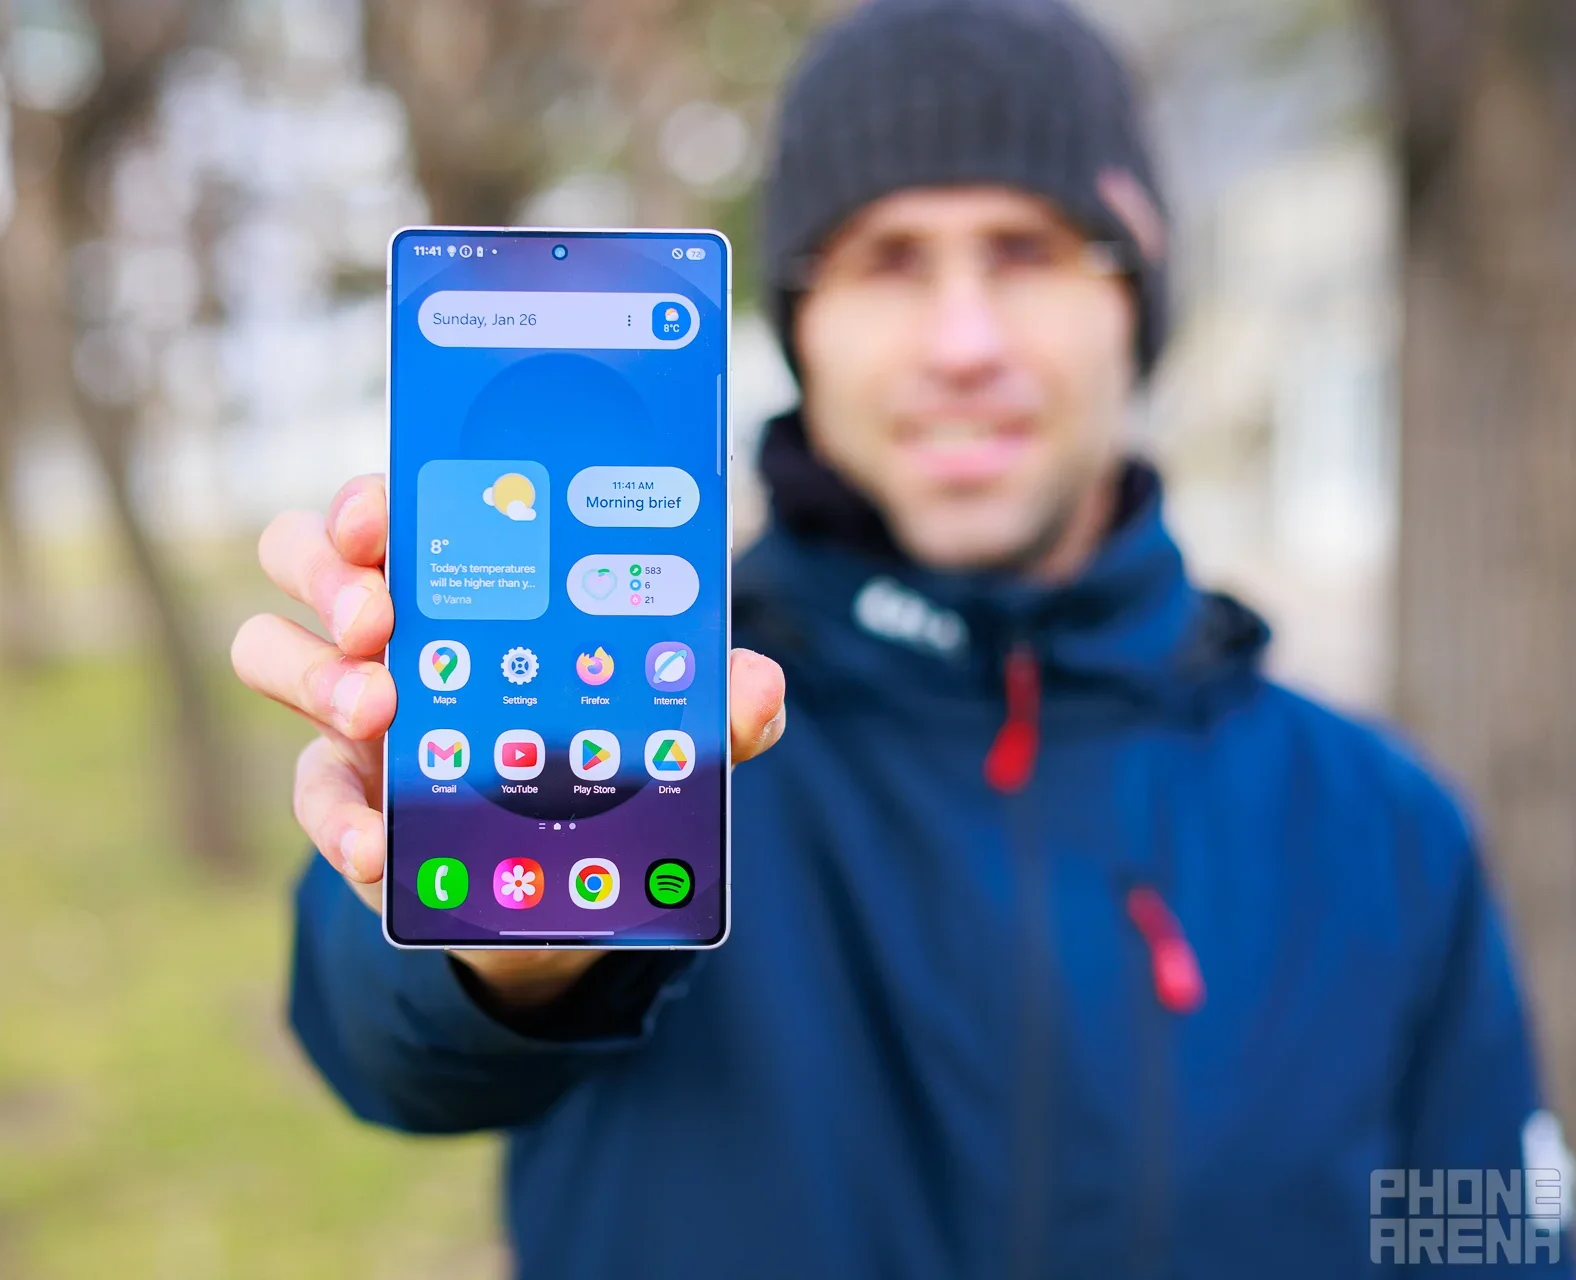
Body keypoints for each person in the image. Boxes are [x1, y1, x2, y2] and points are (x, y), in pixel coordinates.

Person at [231, 1, 1568, 1274]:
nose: (963, 342)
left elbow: (1493, 1240)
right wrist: (503, 940)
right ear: (800, 324)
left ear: (1138, 300)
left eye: (1027, 251)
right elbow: (382, 1043)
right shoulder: (656, 723)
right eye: (888, 261)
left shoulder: (1381, 823)